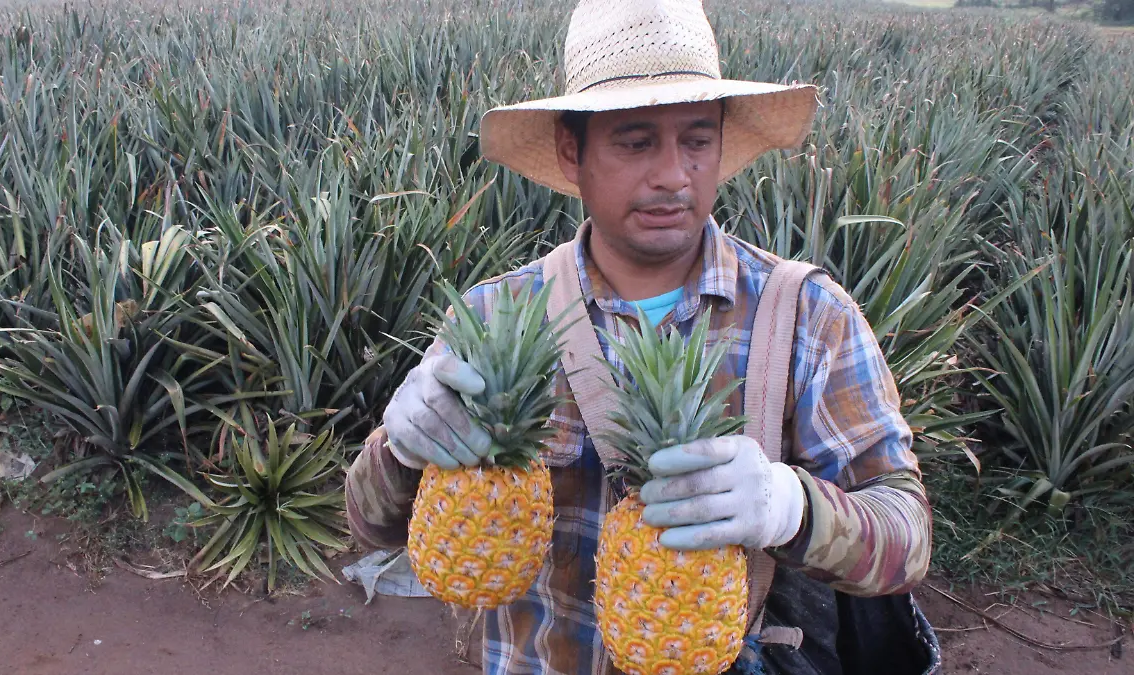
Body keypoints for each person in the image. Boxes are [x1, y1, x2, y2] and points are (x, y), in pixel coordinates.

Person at [346, 1, 940, 673]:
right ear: (573, 151)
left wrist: (790, 507)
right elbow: (370, 524)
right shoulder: (496, 316)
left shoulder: (807, 316)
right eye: (635, 141)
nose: (672, 174)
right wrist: (400, 446)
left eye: (696, 139)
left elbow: (907, 537)